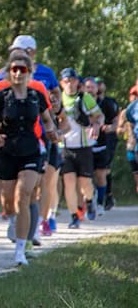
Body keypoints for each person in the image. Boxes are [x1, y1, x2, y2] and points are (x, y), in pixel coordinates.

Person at [0, 52, 57, 266]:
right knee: (8, 200)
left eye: (22, 69)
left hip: (31, 150)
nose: (17, 73)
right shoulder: (1, 97)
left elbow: (48, 121)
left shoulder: (36, 96)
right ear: (8, 72)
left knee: (23, 194)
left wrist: (52, 132)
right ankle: (13, 220)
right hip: (6, 151)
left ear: (29, 72)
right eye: (13, 69)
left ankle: (20, 250)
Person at [57, 68, 104, 229]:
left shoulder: (85, 98)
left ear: (78, 82)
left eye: (72, 80)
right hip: (65, 147)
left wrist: (96, 125)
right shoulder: (58, 99)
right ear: (62, 83)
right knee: (68, 182)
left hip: (83, 147)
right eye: (66, 81)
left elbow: (99, 115)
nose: (70, 84)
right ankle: (74, 216)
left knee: (85, 183)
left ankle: (90, 200)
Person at [91, 77, 120, 213]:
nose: (98, 85)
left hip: (107, 140)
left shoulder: (109, 103)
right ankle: (95, 197)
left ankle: (105, 197)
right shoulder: (87, 102)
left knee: (103, 170)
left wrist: (110, 128)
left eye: (100, 83)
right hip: (90, 141)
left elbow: (116, 121)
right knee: (90, 173)